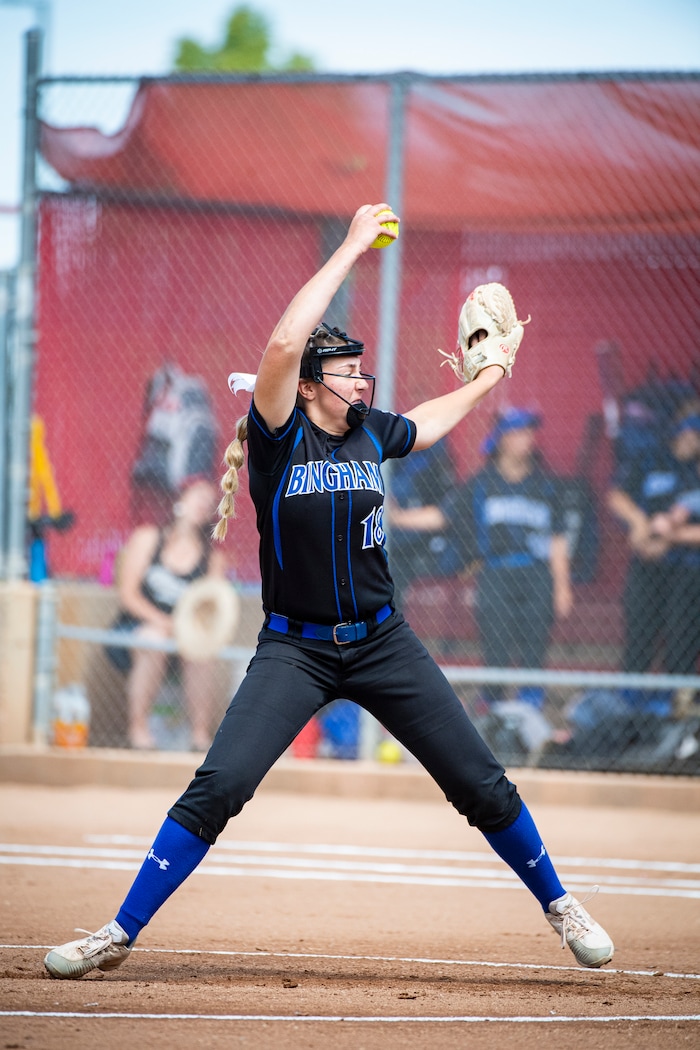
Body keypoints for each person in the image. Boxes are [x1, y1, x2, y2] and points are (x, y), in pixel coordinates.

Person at [44, 203, 613, 981]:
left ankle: (560, 904)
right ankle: (118, 929)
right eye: (345, 372)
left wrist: (488, 379)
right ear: (309, 386)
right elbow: (284, 343)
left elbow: (426, 421)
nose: (359, 380)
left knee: (479, 781)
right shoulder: (281, 433)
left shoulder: (369, 430)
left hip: (381, 641)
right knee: (221, 784)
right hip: (296, 650)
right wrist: (352, 247)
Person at [442, 407, 573, 753]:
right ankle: (494, 718)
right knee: (495, 649)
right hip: (496, 573)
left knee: (534, 648)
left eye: (529, 432)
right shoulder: (481, 483)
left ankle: (531, 720)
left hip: (537, 574)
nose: (525, 439)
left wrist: (562, 586)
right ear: (500, 439)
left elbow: (558, 538)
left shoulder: (546, 485)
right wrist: (398, 517)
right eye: (517, 433)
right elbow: (447, 516)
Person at [106, 475, 228, 751]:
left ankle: (199, 736)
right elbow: (128, 595)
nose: (203, 505)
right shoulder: (149, 537)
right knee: (154, 638)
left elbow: (213, 605)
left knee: (202, 654)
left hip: (186, 634)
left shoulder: (212, 556)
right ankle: (138, 730)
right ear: (179, 499)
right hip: (138, 627)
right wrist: (164, 622)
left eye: (208, 502)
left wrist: (186, 628)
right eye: (197, 497)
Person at [606, 412, 700, 694]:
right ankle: (631, 700)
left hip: (687, 569)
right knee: (639, 635)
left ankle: (678, 706)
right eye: (687, 434)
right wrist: (640, 523)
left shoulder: (695, 471)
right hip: (647, 563)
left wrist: (669, 537)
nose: (690, 442)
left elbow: (679, 521)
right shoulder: (651, 459)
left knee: (682, 639)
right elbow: (617, 495)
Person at [384, 438, 457, 604]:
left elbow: (442, 517)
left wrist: (393, 516)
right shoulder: (385, 467)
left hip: (420, 546)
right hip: (388, 546)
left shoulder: (431, 469)